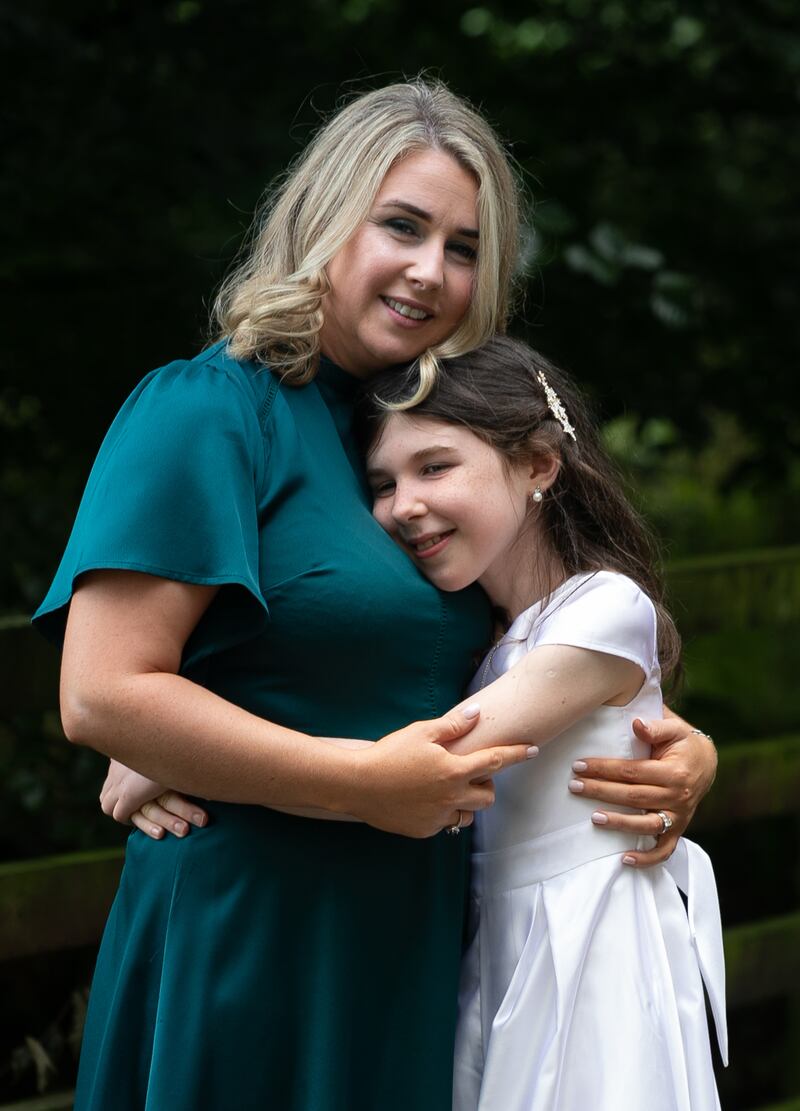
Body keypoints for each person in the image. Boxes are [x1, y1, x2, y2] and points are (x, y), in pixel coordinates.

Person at [33, 80, 717, 1111]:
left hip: (416, 944)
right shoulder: (211, 411)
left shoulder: (414, 444)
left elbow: (530, 637)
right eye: (401, 225)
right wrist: (338, 776)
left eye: (463, 247)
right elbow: (101, 695)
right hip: (256, 931)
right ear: (324, 218)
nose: (429, 270)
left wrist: (669, 745)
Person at [359, 334, 727, 1109]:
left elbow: (437, 755)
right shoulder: (476, 635)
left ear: (538, 464)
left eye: (434, 466)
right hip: (497, 958)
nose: (402, 505)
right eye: (382, 483)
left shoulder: (605, 607)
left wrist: (193, 750)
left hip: (589, 951)